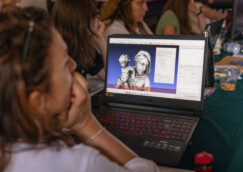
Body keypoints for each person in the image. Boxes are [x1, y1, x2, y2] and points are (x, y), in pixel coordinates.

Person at [0, 5, 159, 172]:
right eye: (64, 64)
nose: (73, 64)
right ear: (38, 102)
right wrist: (86, 123)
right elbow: (148, 169)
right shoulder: (78, 163)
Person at [51, 0, 106, 80]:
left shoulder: (82, 48)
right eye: (95, 14)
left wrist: (101, 42)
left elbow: (114, 81)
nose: (98, 18)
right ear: (81, 21)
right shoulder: (59, 57)